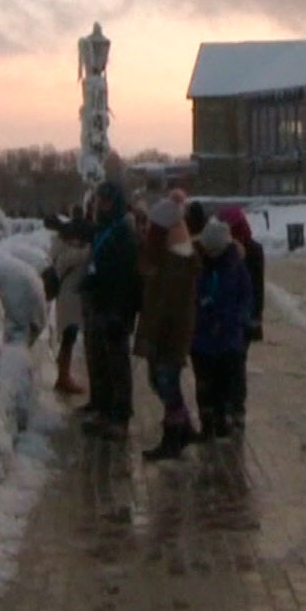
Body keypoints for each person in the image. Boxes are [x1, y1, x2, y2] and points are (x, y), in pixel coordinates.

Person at [133, 197, 200, 460]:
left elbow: (167, 304)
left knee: (165, 382)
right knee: (161, 381)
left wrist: (155, 335)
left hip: (168, 333)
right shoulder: (169, 257)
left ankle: (174, 436)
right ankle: (182, 428)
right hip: (165, 331)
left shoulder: (176, 262)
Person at [79, 181, 141, 439]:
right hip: (99, 301)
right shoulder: (102, 227)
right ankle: (103, 410)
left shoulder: (124, 231)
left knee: (117, 364)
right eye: (98, 199)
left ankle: (120, 416)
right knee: (98, 360)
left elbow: (129, 276)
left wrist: (122, 311)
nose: (100, 204)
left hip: (116, 306)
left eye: (105, 200)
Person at [190, 219, 253, 440]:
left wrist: (232, 320)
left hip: (227, 339)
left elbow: (245, 298)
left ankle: (222, 419)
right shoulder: (199, 265)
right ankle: (207, 423)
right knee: (204, 385)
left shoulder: (236, 267)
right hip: (202, 338)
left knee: (224, 383)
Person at [217, 206, 266, 424]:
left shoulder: (253, 250)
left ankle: (236, 407)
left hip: (244, 317)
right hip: (226, 315)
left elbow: (258, 286)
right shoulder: (223, 248)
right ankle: (229, 404)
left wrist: (255, 316)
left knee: (237, 361)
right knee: (228, 360)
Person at [47, 218, 92, 395]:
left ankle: (63, 374)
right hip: (70, 299)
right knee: (68, 338)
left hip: (68, 298)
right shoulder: (69, 253)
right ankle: (63, 377)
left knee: (69, 338)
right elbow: (85, 256)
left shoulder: (60, 248)